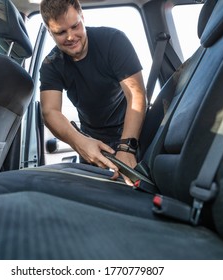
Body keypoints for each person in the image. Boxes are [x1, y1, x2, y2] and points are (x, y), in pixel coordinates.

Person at [39, 0, 146, 185]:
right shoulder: (51, 64)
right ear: (49, 31)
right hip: (91, 138)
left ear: (82, 17)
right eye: (61, 32)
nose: (71, 37)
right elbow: (50, 112)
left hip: (131, 130)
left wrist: (127, 147)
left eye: (75, 26)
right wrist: (79, 142)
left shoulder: (113, 41)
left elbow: (136, 95)